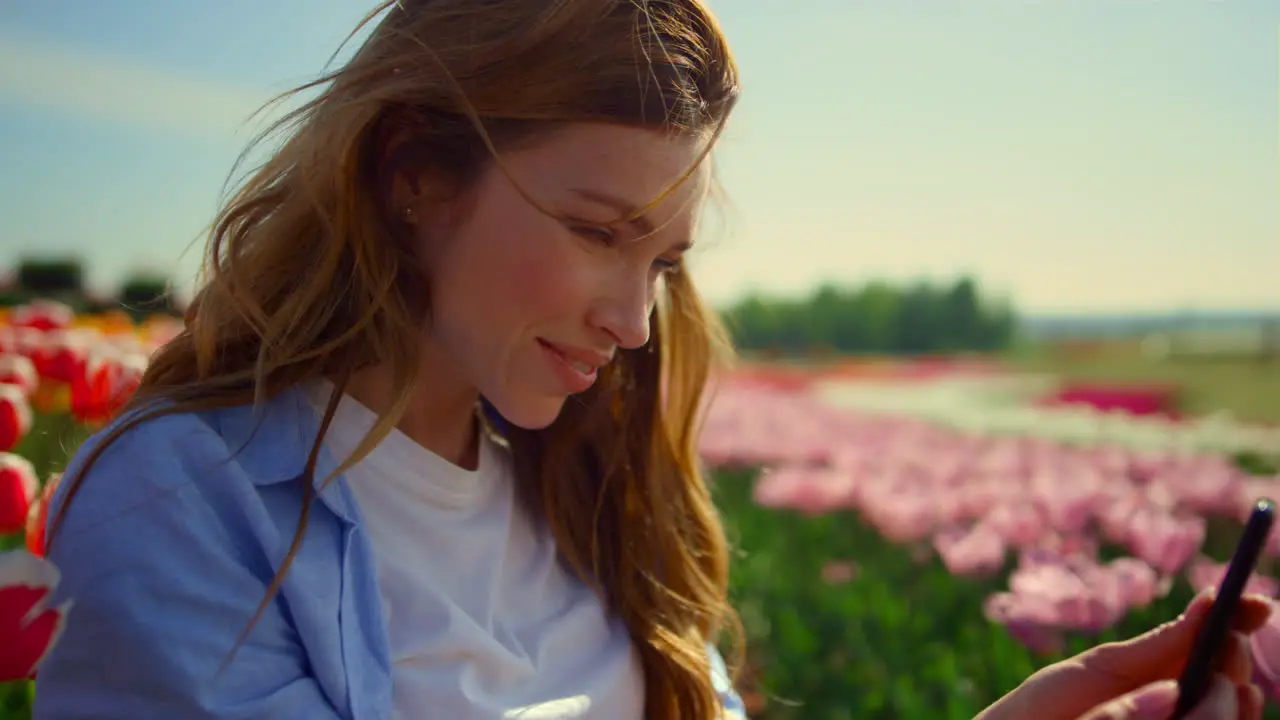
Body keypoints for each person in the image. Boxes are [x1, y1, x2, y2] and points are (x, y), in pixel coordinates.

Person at [29, 0, 1271, 718]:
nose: (634, 320)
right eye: (594, 233)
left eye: (664, 262)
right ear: (411, 175)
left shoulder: (590, 485)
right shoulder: (185, 506)